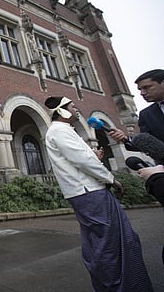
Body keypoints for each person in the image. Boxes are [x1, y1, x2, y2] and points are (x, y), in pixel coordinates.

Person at [44, 96, 154, 292]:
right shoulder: (59, 130)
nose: (76, 109)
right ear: (62, 111)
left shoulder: (63, 131)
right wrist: (111, 178)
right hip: (89, 192)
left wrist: (93, 157)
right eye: (72, 106)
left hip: (87, 191)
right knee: (109, 245)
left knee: (104, 242)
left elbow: (80, 159)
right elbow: (82, 161)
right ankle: (118, 286)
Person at [108, 69, 164, 164]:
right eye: (140, 89)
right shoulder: (146, 114)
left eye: (146, 87)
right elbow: (147, 144)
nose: (142, 93)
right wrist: (124, 138)